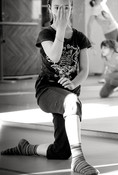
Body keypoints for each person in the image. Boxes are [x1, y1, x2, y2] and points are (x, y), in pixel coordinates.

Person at [1, 0, 99, 174]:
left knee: (61, 151)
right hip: (47, 91)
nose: (62, 11)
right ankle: (78, 159)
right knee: (71, 102)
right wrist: (60, 28)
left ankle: (26, 148)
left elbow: (84, 70)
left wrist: (74, 83)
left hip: (69, 92)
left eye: (66, 7)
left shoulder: (80, 37)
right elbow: (54, 56)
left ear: (72, 9)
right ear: (50, 9)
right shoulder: (46, 33)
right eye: (57, 7)